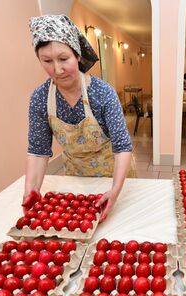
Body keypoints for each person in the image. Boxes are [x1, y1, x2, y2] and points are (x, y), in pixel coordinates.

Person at [25, 14, 135, 221]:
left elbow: (122, 146)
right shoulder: (40, 98)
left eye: (64, 59)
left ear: (77, 55)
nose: (57, 70)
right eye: (47, 61)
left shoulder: (103, 93)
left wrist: (115, 190)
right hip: (77, 177)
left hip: (115, 176)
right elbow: (38, 152)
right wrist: (31, 190)